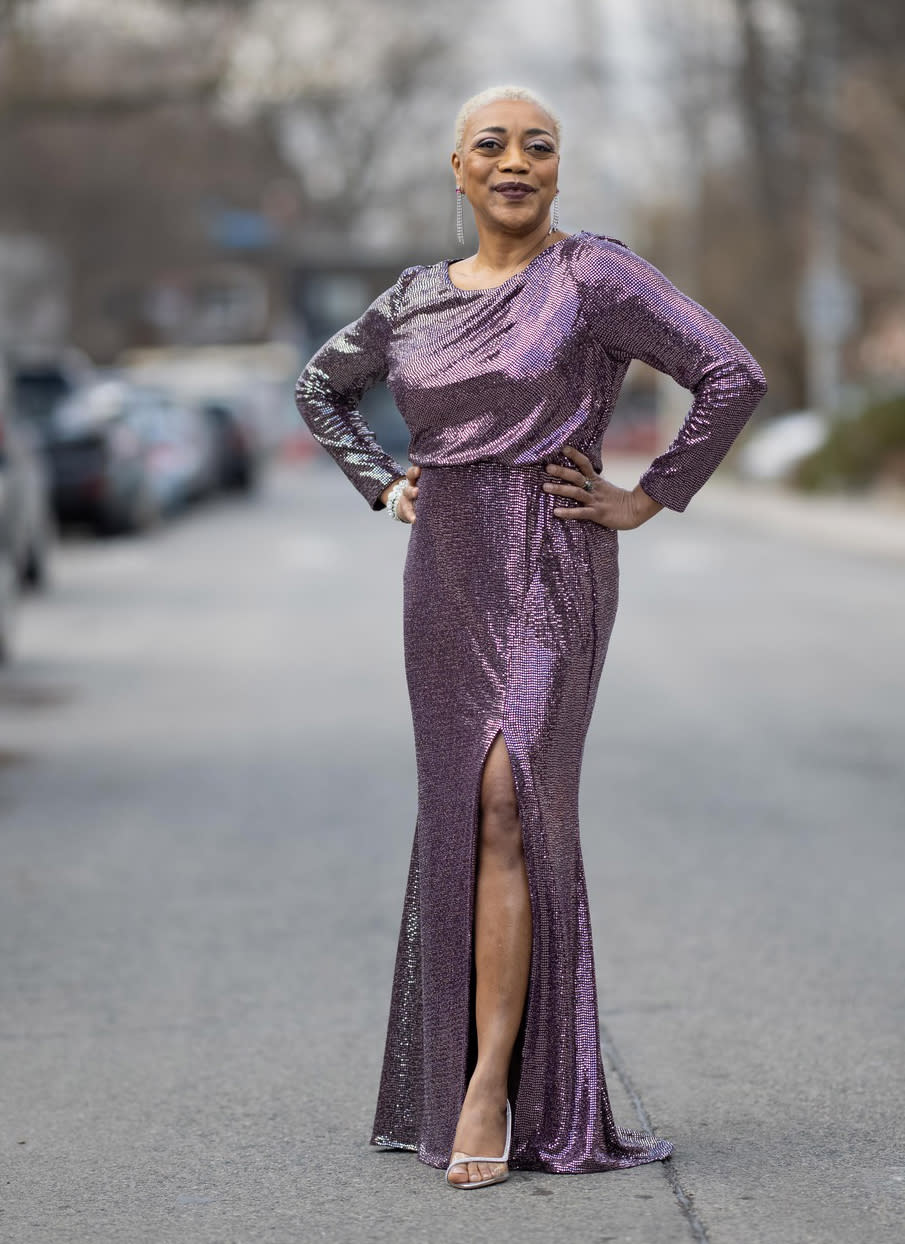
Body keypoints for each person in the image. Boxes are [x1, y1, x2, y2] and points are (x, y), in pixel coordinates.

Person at [295, 83, 767, 1190]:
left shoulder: (593, 275)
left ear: (558, 168)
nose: (515, 160)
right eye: (490, 145)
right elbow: (321, 388)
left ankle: (488, 1082)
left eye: (538, 145)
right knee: (464, 802)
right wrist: (382, 482)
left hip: (554, 560)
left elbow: (729, 374)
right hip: (444, 569)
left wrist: (648, 494)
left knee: (511, 794)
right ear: (454, 170)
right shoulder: (410, 299)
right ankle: (472, 1069)